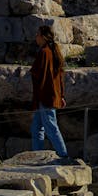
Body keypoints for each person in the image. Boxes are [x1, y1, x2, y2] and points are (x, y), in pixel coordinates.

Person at [30, 25, 68, 159]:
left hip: (45, 96)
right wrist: (61, 95)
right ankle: (37, 156)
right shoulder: (53, 52)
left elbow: (38, 75)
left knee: (51, 127)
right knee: (36, 128)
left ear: (44, 37)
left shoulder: (44, 53)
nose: (36, 37)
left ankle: (64, 155)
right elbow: (60, 76)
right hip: (51, 95)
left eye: (38, 34)